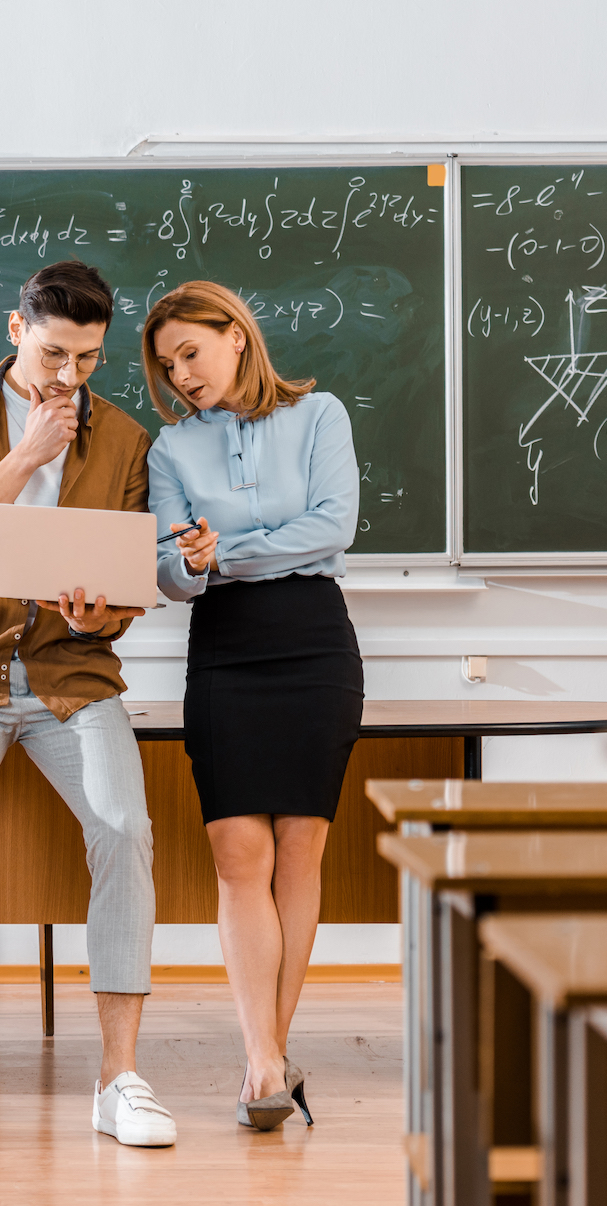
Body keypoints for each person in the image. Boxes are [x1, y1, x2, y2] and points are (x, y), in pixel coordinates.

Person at [0, 260, 179, 1151]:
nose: (68, 377)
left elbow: (127, 594)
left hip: (70, 677)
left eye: (88, 360)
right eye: (55, 353)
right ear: (18, 332)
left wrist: (102, 613)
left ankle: (119, 1078)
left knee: (126, 825)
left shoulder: (126, 440)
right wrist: (24, 457)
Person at [141, 280, 364, 1131]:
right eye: (167, 366)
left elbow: (331, 528)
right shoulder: (171, 452)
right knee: (239, 852)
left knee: (300, 849)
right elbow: (169, 574)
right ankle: (266, 1059)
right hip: (227, 650)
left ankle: (265, 1056)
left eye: (191, 352)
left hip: (313, 641)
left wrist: (220, 552)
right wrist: (195, 564)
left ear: (235, 335)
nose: (181, 375)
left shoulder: (321, 416)